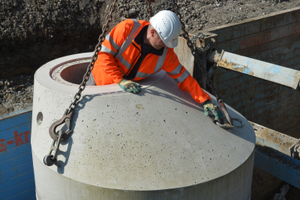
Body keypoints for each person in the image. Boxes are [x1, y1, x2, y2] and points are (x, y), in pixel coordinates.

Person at [89, 10, 223, 122]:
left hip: (125, 93)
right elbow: (102, 55)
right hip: (97, 84)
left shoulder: (165, 54)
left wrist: (205, 100)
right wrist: (119, 80)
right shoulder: (127, 29)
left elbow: (183, 77)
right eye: (163, 42)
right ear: (152, 32)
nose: (165, 46)